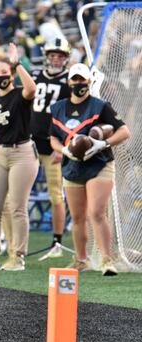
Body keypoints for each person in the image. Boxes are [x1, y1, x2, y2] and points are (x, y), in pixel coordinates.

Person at [49, 63, 130, 276]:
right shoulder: (58, 108)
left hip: (99, 163)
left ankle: (106, 259)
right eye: (75, 79)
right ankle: (81, 259)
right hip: (73, 165)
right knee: (77, 217)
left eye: (82, 79)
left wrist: (103, 144)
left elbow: (124, 132)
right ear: (69, 82)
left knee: (96, 212)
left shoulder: (101, 106)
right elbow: (53, 137)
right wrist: (65, 150)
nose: (78, 83)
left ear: (90, 81)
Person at [0, 43, 38, 271]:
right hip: (0, 152)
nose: (1, 75)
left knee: (17, 207)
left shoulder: (18, 94)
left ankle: (17, 256)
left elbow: (31, 89)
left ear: (12, 75)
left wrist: (17, 63)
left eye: (5, 72)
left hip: (22, 151)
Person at [30, 38, 72, 259]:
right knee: (16, 195)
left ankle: (57, 240)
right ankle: (11, 241)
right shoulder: (35, 76)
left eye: (60, 56)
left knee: (56, 195)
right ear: (47, 56)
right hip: (29, 141)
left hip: (53, 145)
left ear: (66, 58)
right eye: (53, 55)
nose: (56, 59)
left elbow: (70, 115)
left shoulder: (69, 81)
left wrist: (62, 145)